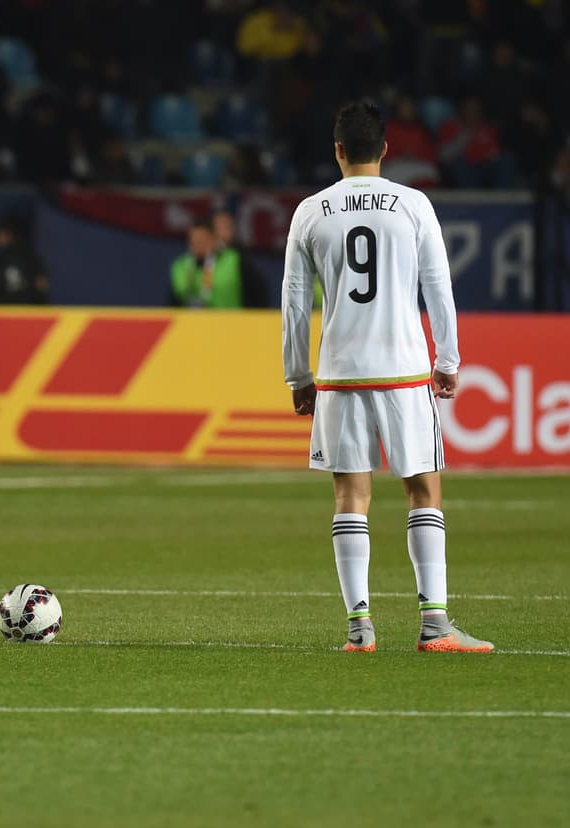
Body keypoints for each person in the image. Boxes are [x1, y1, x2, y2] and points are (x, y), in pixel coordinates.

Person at [281, 101, 492, 654]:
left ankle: (360, 629)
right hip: (403, 371)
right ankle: (434, 624)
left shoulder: (311, 211)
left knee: (351, 495)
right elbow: (438, 288)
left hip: (340, 374)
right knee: (423, 488)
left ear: (338, 151)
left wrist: (298, 375)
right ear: (385, 150)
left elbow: (295, 303)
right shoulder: (413, 205)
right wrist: (448, 361)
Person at [170, 216, 265, 308]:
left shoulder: (233, 260)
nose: (198, 245)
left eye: (202, 240)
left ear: (214, 239)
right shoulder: (180, 266)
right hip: (192, 318)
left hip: (230, 318)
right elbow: (173, 300)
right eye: (194, 241)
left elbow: (258, 292)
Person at [0, 215, 49, 304]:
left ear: (9, 235)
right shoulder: (4, 256)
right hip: (10, 309)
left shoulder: (27, 255)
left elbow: (41, 284)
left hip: (26, 308)